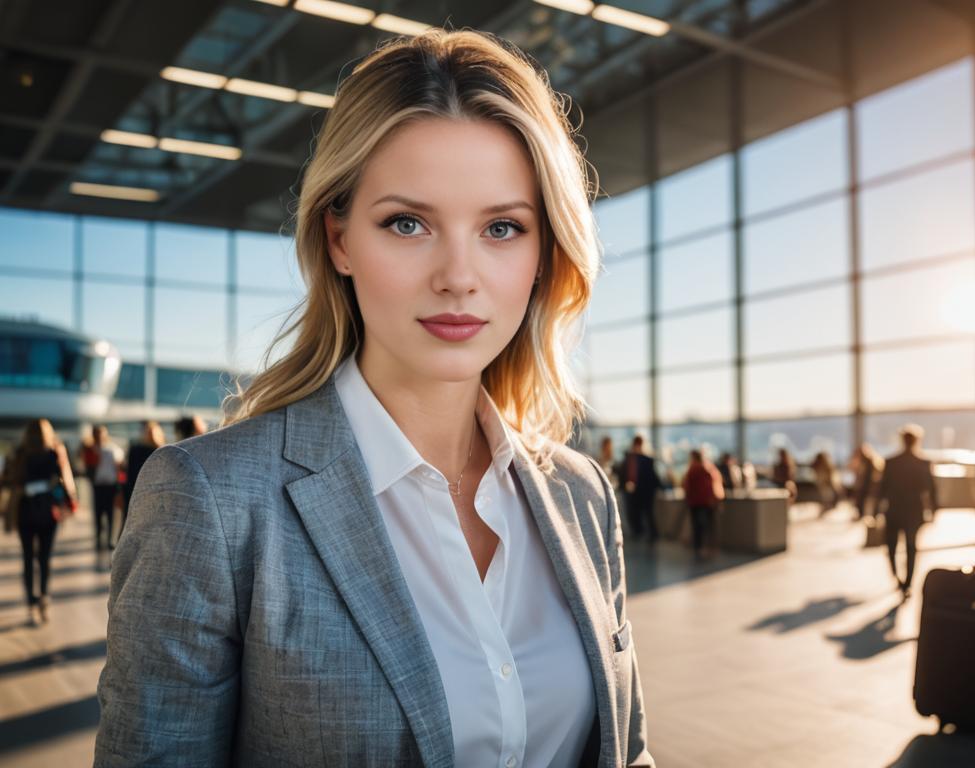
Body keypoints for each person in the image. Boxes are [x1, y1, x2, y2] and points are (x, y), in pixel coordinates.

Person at [96, 30, 652, 767]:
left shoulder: (581, 495)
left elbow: (630, 752)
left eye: (502, 228)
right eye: (408, 223)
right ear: (339, 240)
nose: (459, 276)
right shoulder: (214, 504)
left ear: (545, 253)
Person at [0, 419, 77, 625]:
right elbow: (63, 479)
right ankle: (43, 596)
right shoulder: (53, 454)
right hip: (48, 512)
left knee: (27, 557)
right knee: (44, 558)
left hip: (25, 511)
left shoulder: (20, 454)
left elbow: (8, 480)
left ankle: (31, 602)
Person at [878, 424, 938, 598]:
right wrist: (934, 510)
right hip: (914, 511)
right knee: (911, 547)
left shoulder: (891, 462)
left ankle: (899, 579)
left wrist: (875, 511)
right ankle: (908, 583)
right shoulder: (923, 463)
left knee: (892, 547)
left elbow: (882, 489)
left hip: (894, 510)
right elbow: (932, 490)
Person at [618, 435, 661, 543]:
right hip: (639, 491)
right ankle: (642, 532)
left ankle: (648, 533)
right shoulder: (634, 459)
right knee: (640, 512)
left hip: (643, 491)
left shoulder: (641, 459)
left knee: (645, 512)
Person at [683, 450, 724, 559]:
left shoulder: (695, 469)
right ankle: (708, 547)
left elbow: (688, 485)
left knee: (699, 526)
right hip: (706, 501)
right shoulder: (708, 467)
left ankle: (701, 547)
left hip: (699, 502)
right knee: (707, 525)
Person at [90, 424, 123, 552]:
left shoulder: (112, 449)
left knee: (110, 514)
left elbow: (119, 466)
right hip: (98, 485)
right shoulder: (91, 450)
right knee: (98, 514)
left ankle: (110, 539)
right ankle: (99, 539)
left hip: (110, 485)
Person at [123, 420, 165, 516]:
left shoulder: (161, 451)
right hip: (136, 492)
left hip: (152, 494)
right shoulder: (136, 450)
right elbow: (130, 474)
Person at [849, 443, 883, 520]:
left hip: (869, 486)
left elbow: (873, 475)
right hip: (863, 486)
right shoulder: (861, 461)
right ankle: (863, 515)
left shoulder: (870, 461)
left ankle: (869, 516)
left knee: (867, 502)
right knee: (861, 501)